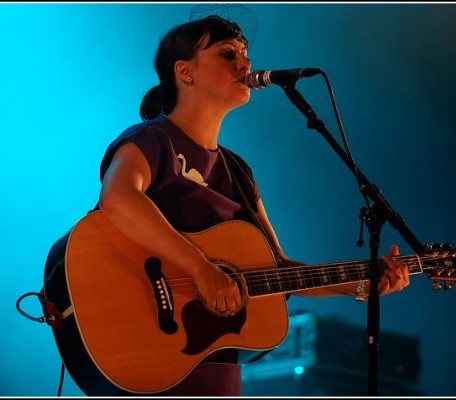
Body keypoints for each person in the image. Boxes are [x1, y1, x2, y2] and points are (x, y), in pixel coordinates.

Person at [81, 13, 410, 396]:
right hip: (145, 345)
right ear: (185, 71)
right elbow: (118, 198)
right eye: (227, 54)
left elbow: (279, 270)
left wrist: (360, 284)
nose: (245, 63)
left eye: (245, 54)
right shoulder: (153, 141)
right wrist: (201, 269)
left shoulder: (238, 171)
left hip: (214, 366)